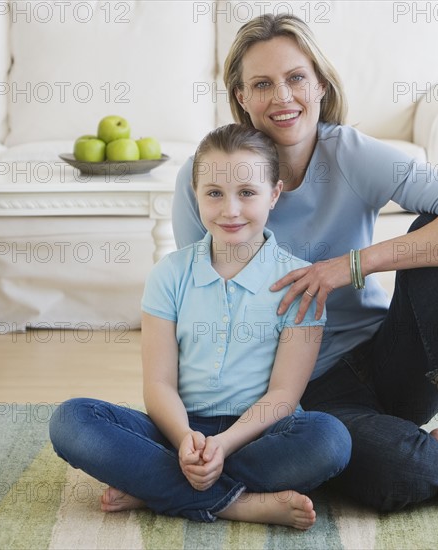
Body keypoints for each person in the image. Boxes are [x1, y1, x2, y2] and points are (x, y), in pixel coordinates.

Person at [172, 14, 438, 522]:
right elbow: (199, 312)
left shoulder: (349, 153)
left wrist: (351, 266)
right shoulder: (209, 181)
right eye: (262, 83)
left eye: (296, 77)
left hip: (391, 359)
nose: (283, 97)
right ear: (241, 97)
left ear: (319, 83)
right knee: (402, 476)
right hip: (307, 392)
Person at [49, 123, 352, 530]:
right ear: (196, 195)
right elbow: (159, 385)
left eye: (247, 192)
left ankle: (156, 488)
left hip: (261, 435)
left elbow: (284, 394)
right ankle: (238, 504)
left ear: (274, 194)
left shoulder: (302, 282)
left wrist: (223, 446)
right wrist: (184, 441)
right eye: (214, 193)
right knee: (71, 420)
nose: (230, 210)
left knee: (331, 439)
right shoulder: (169, 274)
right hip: (176, 430)